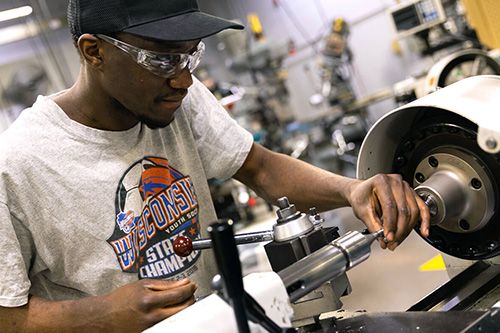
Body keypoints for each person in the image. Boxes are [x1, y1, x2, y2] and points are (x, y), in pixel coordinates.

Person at [0, 0, 430, 331]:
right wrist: (94, 316)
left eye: (191, 55)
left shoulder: (175, 99)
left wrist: (350, 190)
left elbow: (259, 167)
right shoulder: (18, 164)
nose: (184, 79)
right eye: (163, 59)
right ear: (94, 52)